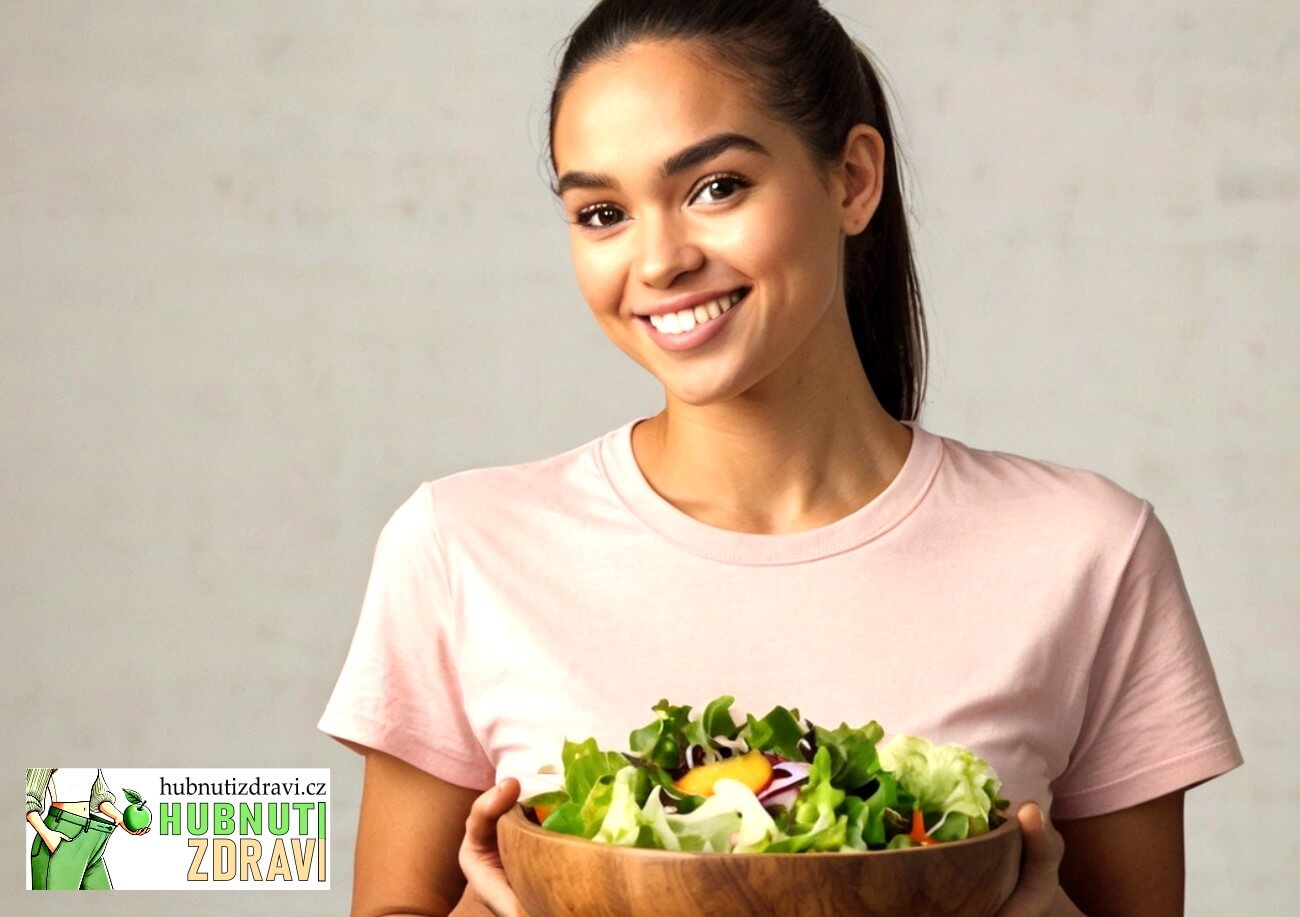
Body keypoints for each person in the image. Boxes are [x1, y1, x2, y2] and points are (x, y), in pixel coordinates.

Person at [317, 2, 1243, 914]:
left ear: (852, 179)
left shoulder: (1088, 550)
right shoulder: (460, 547)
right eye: (601, 212)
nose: (659, 260)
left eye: (715, 187)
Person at [26, 768, 150, 890]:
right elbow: (28, 797)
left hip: (90, 837)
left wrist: (120, 818)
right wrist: (48, 835)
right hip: (62, 833)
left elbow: (98, 795)